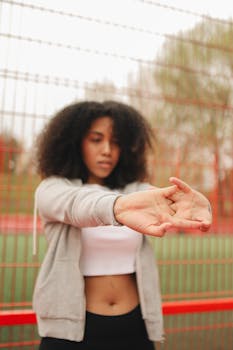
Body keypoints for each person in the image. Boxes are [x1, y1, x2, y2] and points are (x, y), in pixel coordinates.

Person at [32, 100, 212, 350]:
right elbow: (79, 204)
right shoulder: (53, 189)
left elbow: (166, 200)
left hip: (135, 326)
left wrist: (195, 205)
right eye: (96, 139)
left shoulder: (135, 191)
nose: (107, 150)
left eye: (116, 142)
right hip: (72, 333)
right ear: (75, 143)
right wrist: (119, 208)